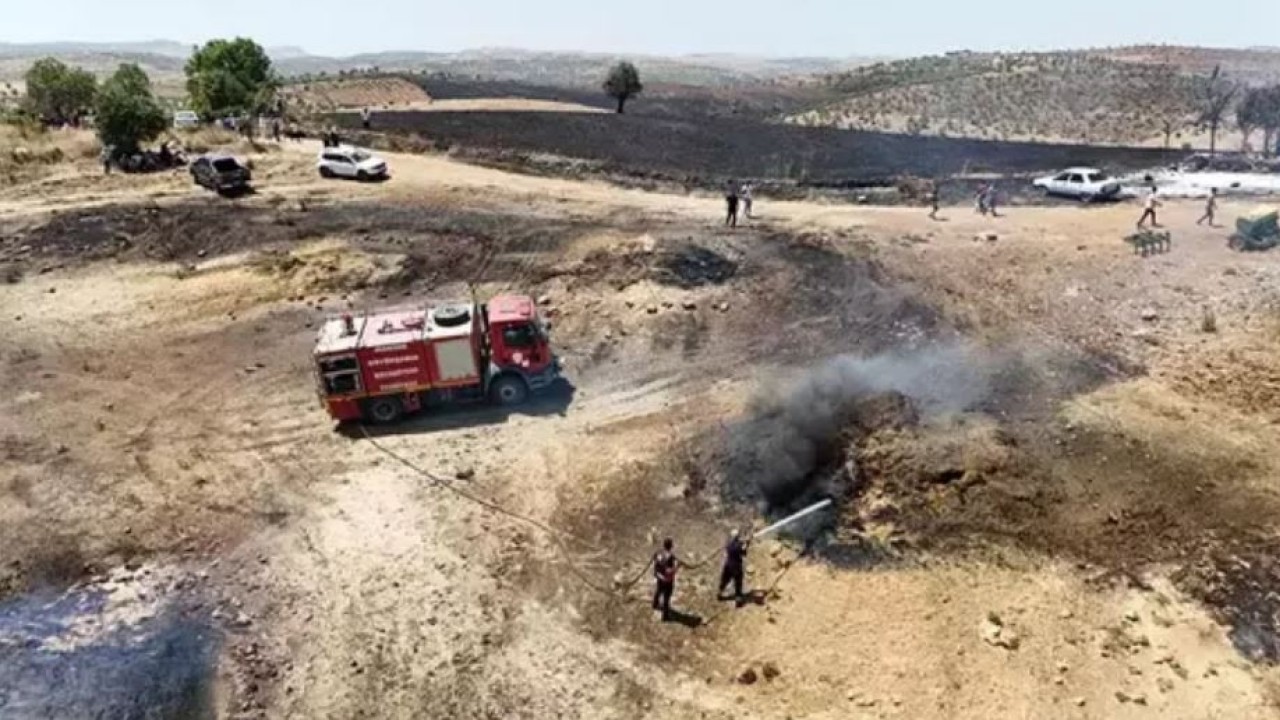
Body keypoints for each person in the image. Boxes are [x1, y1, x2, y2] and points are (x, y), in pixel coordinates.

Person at [718, 529, 750, 605]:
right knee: (738, 582)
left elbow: (737, 545)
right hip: (736, 566)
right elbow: (743, 553)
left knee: (724, 580)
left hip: (728, 565)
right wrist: (747, 543)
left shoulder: (728, 544)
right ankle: (738, 599)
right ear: (737, 537)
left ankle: (719, 593)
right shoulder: (739, 545)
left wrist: (743, 542)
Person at [652, 538, 680, 620]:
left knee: (658, 590)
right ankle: (665, 616)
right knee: (666, 598)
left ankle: (655, 604)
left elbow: (655, 561)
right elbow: (669, 571)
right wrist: (677, 568)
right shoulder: (670, 557)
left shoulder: (658, 552)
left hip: (659, 577)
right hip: (667, 580)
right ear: (671, 546)